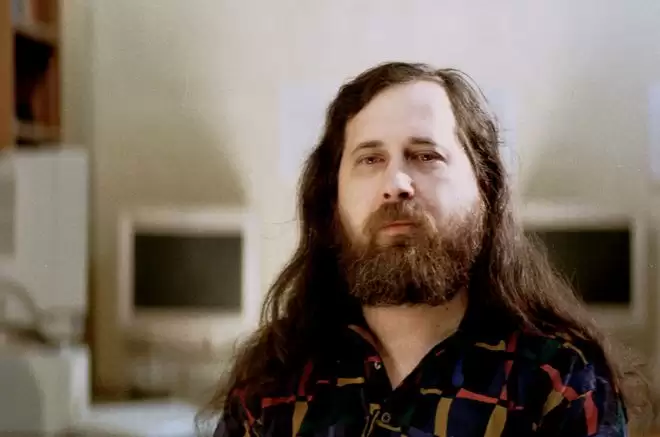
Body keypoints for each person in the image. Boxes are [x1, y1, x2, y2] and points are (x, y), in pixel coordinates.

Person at [205, 62, 651, 436]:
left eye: (425, 155)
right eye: (370, 159)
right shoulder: (271, 384)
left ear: (485, 189)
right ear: (331, 201)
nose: (396, 183)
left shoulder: (560, 381)